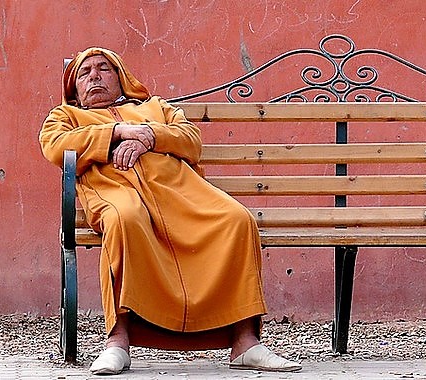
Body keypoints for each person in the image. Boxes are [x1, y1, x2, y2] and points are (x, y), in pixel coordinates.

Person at [39, 47, 302, 375]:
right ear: (75, 89)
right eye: (84, 72)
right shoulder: (65, 117)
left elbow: (190, 139)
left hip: (180, 194)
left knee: (237, 220)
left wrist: (149, 136)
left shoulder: (155, 107)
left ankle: (245, 343)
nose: (94, 76)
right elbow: (56, 145)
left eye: (104, 69)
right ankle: (117, 342)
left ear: (121, 79)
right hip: (118, 194)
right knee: (124, 220)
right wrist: (119, 132)